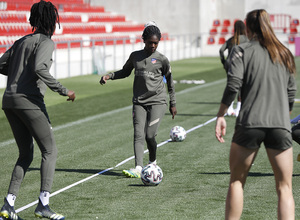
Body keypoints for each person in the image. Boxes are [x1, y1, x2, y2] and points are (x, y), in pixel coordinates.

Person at [215, 9, 296, 220]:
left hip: (250, 123)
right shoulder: (285, 52)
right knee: (285, 188)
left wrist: (221, 114)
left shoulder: (241, 50)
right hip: (280, 124)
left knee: (237, 181)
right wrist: (282, 117)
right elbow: (291, 93)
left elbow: (233, 85)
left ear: (248, 28)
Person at [0, 1, 75, 219]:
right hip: (29, 101)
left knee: (26, 154)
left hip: (9, 101)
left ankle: (8, 204)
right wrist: (64, 91)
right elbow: (40, 67)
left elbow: (1, 65)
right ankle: (43, 204)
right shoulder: (46, 42)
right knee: (50, 151)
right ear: (52, 22)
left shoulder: (21, 40)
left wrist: (18, 74)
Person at [100, 22, 177, 178]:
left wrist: (173, 103)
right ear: (144, 40)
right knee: (138, 134)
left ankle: (153, 162)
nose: (153, 45)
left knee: (149, 135)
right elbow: (125, 71)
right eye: (150, 42)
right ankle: (138, 167)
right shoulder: (136, 56)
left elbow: (170, 81)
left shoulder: (162, 60)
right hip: (139, 102)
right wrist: (110, 76)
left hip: (158, 102)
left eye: (156, 43)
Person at [219, 20, 248, 117]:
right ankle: (238, 109)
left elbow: (221, 50)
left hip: (230, 64)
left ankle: (229, 108)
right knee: (241, 86)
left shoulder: (231, 39)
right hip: (241, 65)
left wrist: (224, 62)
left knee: (230, 85)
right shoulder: (246, 39)